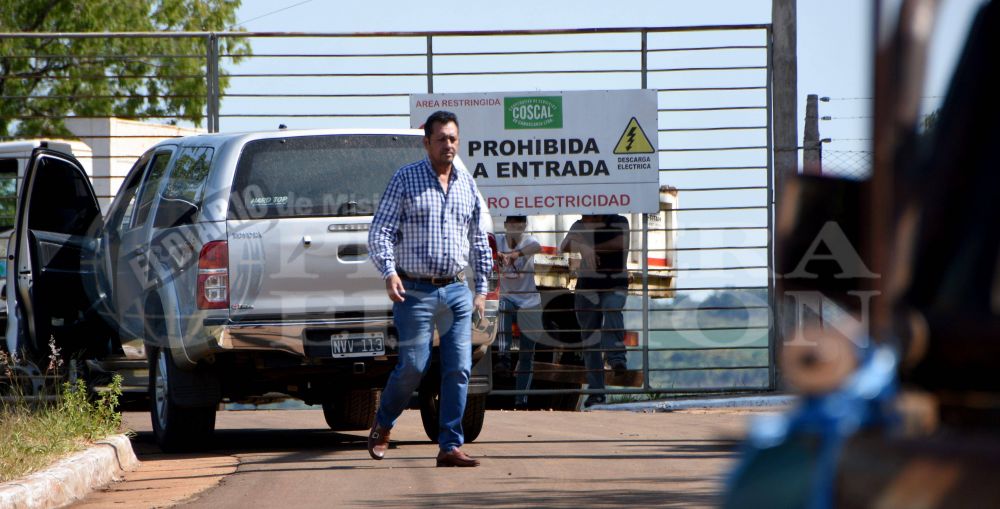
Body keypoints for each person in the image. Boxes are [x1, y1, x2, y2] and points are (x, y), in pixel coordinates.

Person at [367, 110, 492, 467]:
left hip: (455, 291)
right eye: (441, 139)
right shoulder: (405, 179)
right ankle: (383, 422)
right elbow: (381, 232)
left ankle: (449, 445)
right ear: (427, 142)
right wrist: (389, 272)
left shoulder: (467, 184)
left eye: (453, 138)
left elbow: (479, 240)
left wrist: (481, 288)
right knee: (413, 366)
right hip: (414, 291)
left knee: (459, 368)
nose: (448, 145)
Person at [560, 214, 630, 408]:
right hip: (587, 288)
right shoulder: (580, 224)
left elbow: (621, 242)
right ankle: (597, 393)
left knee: (612, 308)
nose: (585, 218)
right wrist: (581, 246)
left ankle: (616, 359)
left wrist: (590, 246)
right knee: (590, 340)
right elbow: (563, 245)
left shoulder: (620, 221)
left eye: (588, 215)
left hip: (614, 284)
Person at [494, 215, 543, 408]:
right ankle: (503, 357)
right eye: (512, 223)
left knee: (526, 355)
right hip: (508, 297)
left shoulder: (528, 241)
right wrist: (496, 254)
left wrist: (514, 255)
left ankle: (521, 399)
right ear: (506, 225)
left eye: (520, 223)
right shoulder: (497, 240)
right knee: (503, 305)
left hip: (530, 302)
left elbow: (536, 247)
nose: (516, 227)